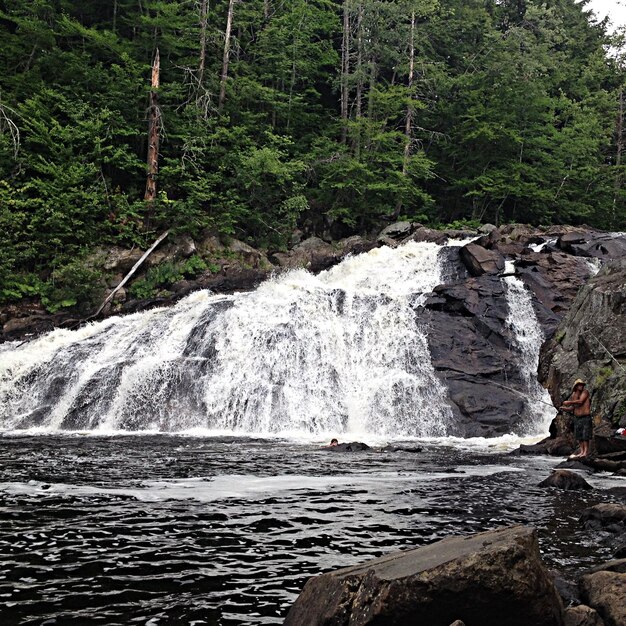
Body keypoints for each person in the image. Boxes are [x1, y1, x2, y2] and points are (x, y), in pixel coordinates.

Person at [560, 379, 592, 458]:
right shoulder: (574, 395)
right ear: (576, 386)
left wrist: (569, 402)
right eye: (579, 385)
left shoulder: (585, 392)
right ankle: (581, 451)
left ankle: (585, 452)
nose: (581, 386)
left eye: (582, 385)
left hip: (585, 417)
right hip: (577, 418)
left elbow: (580, 401)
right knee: (579, 436)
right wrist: (564, 408)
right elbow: (572, 408)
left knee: (585, 435)